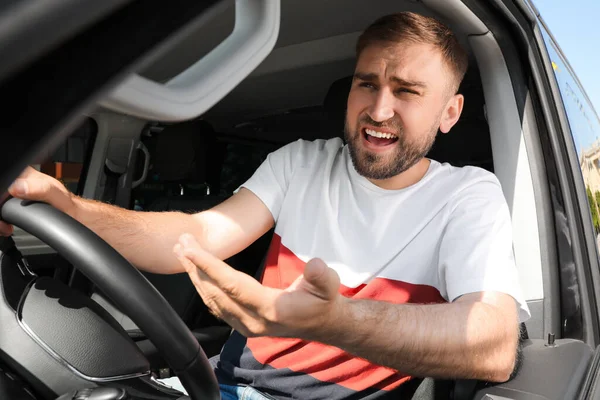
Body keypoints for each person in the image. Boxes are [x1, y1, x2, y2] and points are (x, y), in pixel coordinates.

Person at [2, 12, 530, 400]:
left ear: (450, 112)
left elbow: (493, 341)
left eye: (407, 91)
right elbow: (197, 235)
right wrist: (66, 204)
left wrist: (336, 321)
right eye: (367, 83)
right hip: (219, 384)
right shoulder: (301, 161)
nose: (378, 108)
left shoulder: (467, 195)